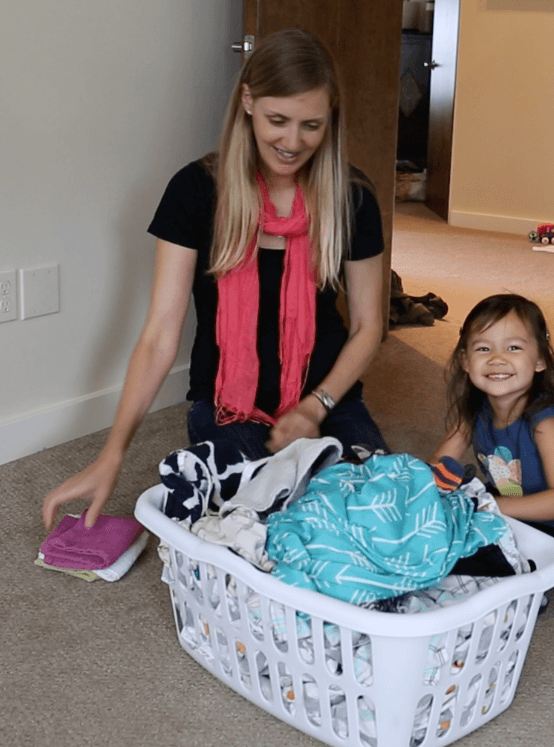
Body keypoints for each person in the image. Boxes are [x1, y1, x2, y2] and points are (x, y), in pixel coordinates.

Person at [43, 29, 389, 530]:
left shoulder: (352, 196)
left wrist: (315, 408)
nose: (293, 143)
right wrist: (111, 455)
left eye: (311, 126)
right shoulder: (194, 192)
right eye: (278, 121)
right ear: (247, 100)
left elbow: (367, 326)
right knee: (256, 524)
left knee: (375, 514)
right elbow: (161, 336)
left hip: (328, 399)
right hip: (230, 410)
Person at [429, 294, 554, 573]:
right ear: (465, 361)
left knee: (469, 558)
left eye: (514, 348)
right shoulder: (473, 411)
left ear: (540, 360)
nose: (497, 359)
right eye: (483, 349)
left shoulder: (547, 423)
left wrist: (490, 506)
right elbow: (439, 463)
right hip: (505, 511)